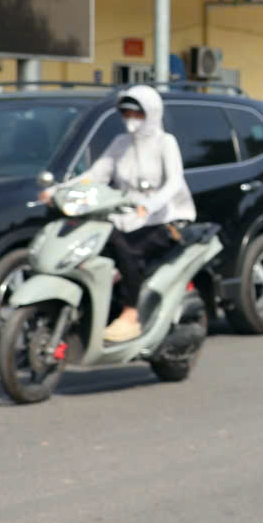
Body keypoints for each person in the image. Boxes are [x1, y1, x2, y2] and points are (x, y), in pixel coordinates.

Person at [40, 85, 196, 342]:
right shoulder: (121, 143)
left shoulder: (165, 143)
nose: (131, 119)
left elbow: (174, 182)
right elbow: (95, 175)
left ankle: (131, 313)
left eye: (137, 113)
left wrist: (150, 205)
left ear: (151, 113)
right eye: (126, 113)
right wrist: (58, 191)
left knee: (128, 250)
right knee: (92, 243)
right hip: (123, 216)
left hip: (162, 219)